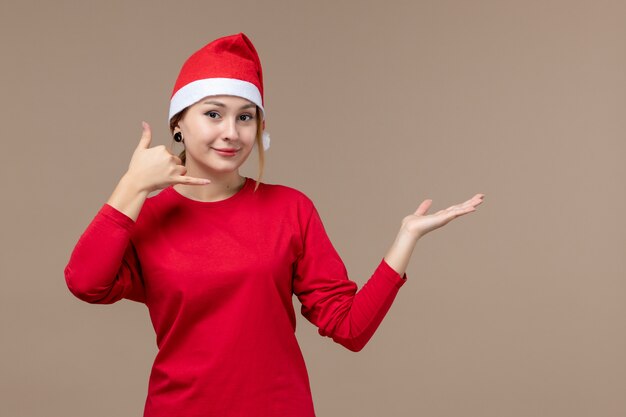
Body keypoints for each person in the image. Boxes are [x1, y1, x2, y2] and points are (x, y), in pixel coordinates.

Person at [64, 32, 485, 417]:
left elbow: (349, 328)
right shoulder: (149, 218)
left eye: (245, 117)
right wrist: (132, 185)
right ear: (178, 124)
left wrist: (406, 238)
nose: (231, 132)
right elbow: (86, 283)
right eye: (214, 114)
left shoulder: (290, 209)